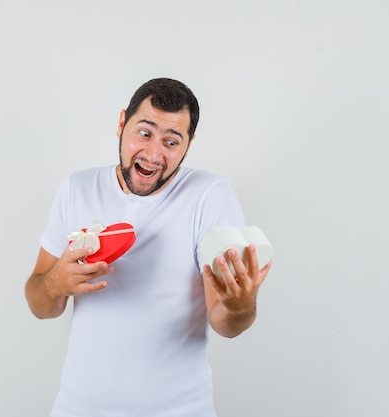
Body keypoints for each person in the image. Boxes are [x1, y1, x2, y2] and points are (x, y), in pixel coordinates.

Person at [24, 78, 273, 417]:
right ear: (121, 123)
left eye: (171, 141)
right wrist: (54, 283)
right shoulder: (76, 188)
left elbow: (224, 322)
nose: (154, 154)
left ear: (189, 145)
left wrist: (241, 305)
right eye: (144, 133)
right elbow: (40, 304)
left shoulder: (209, 195)